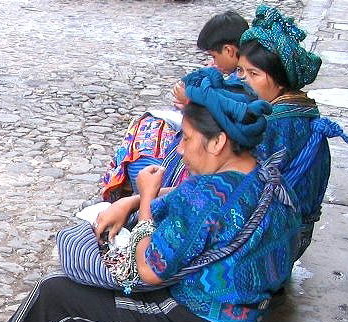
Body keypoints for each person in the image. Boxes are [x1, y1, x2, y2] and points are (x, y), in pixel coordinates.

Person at [0, 72, 301, 322]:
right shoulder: (267, 180)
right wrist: (133, 199)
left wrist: (143, 203)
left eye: (187, 139)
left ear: (218, 141)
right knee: (82, 297)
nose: (181, 149)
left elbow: (149, 269)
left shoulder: (205, 195)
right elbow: (189, 207)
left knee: (58, 293)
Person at [99, 11, 249, 202]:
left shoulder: (211, 194)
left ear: (229, 50)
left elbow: (151, 231)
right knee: (147, 127)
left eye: (213, 55)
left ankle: (133, 186)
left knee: (143, 156)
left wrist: (143, 201)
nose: (213, 63)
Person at [237, 5, 348, 258]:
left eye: (254, 73)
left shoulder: (276, 124)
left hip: (271, 244)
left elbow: (244, 190)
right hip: (294, 236)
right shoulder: (301, 110)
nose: (243, 79)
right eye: (241, 71)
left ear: (280, 79)